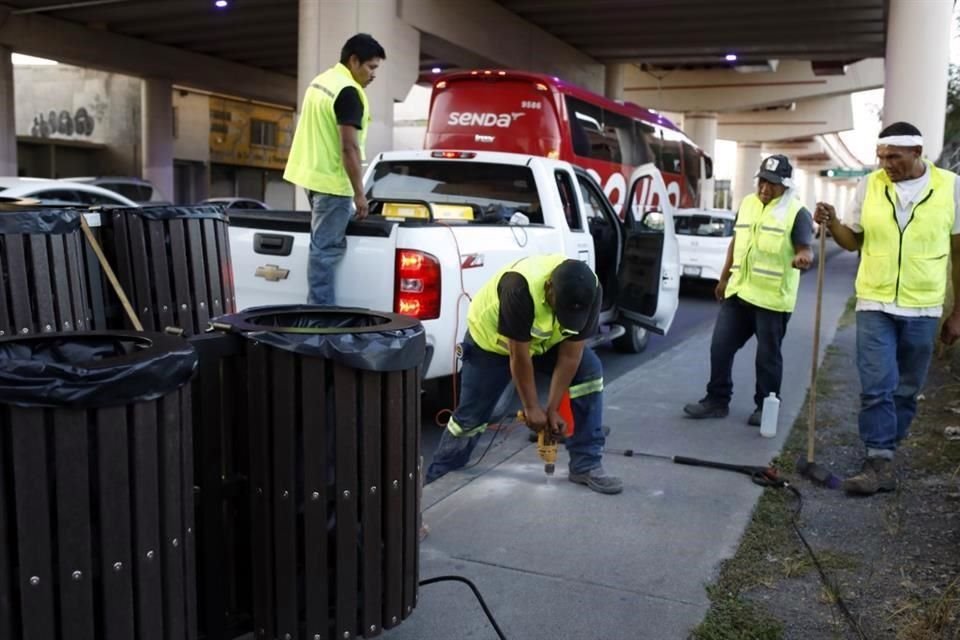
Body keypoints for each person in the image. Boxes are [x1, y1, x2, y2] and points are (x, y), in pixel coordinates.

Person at [814, 121, 960, 495]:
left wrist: (958, 313)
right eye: (880, 156)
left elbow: (959, 255)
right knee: (878, 385)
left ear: (917, 153)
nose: (885, 164)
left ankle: (886, 453)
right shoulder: (870, 185)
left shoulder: (951, 187)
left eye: (893, 156)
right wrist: (832, 224)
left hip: (923, 306)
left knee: (906, 390)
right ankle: (877, 459)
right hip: (874, 301)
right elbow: (852, 242)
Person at [425, 254, 622, 495]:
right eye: (559, 308)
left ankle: (586, 464)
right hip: (491, 345)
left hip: (545, 343)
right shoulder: (519, 287)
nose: (565, 316)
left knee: (590, 371)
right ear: (549, 286)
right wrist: (531, 408)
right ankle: (442, 473)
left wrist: (551, 409)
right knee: (471, 417)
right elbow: (519, 356)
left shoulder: (591, 290)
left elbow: (571, 356)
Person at [683, 154, 814, 425]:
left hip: (772, 300)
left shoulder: (796, 212)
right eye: (762, 182)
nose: (765, 189)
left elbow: (805, 249)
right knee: (720, 347)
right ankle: (716, 401)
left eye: (773, 184)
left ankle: (765, 408)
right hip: (739, 293)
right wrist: (723, 278)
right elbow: (736, 242)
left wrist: (803, 259)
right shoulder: (748, 204)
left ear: (786, 185)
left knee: (767, 357)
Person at [283, 33, 385, 305]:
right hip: (332, 184)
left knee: (322, 249)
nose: (374, 74)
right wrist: (359, 194)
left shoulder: (321, 82)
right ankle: (321, 320)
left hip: (313, 177)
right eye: (371, 67)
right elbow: (348, 147)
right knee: (325, 254)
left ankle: (320, 314)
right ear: (354, 61)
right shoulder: (348, 91)